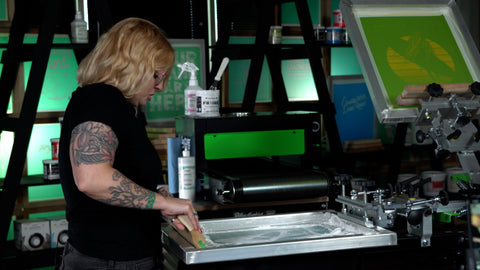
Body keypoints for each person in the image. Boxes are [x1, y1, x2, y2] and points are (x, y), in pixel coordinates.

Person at [58, 17, 200, 269]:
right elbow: (92, 179)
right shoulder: (100, 99)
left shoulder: (124, 108)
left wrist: (164, 200)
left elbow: (133, 178)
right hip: (107, 260)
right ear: (131, 65)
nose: (159, 86)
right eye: (156, 75)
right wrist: (165, 202)